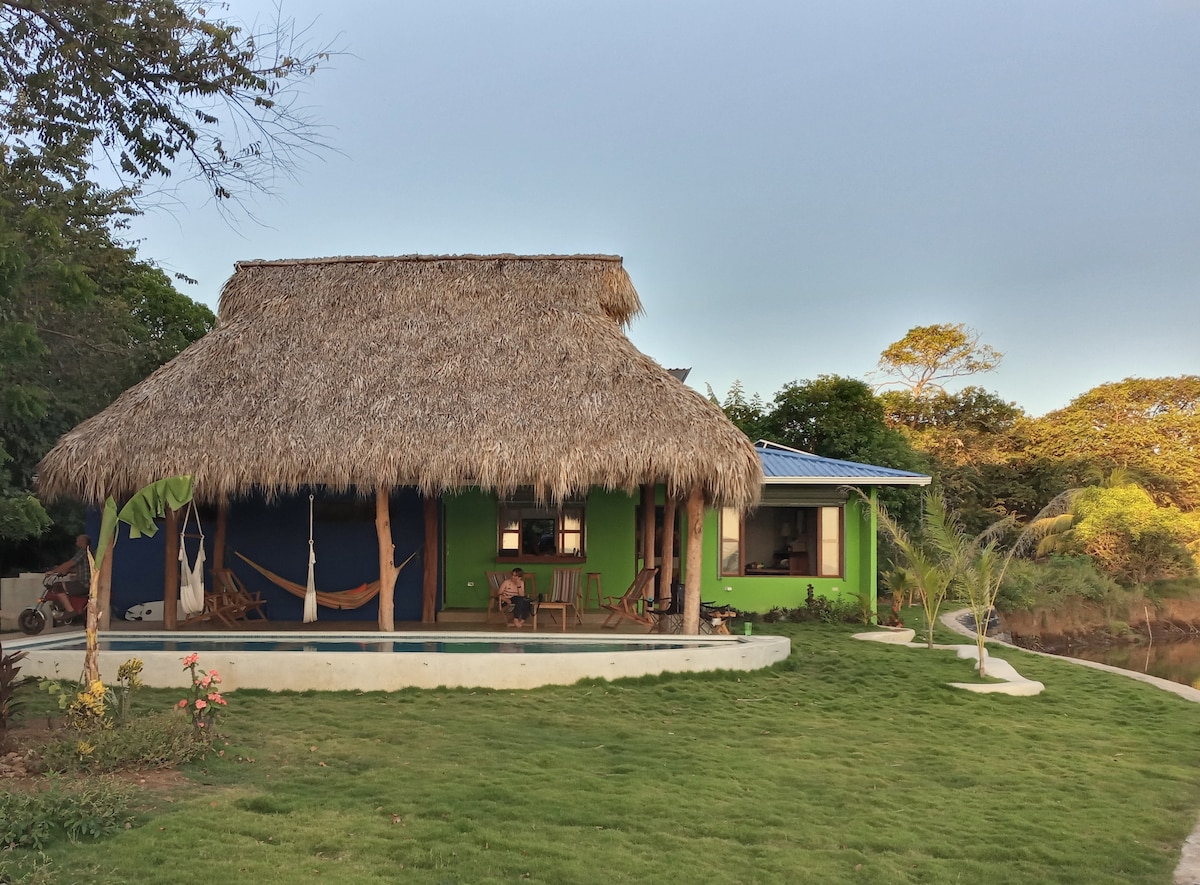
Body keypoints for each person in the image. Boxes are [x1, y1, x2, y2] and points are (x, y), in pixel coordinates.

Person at [44, 534, 92, 620]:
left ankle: (70, 611)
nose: (76, 542)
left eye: (77, 540)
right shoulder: (90, 553)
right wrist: (67, 571)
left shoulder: (83, 551)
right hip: (88, 583)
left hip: (83, 584)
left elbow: (69, 564)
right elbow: (82, 570)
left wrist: (52, 572)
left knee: (57, 586)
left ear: (82, 541)